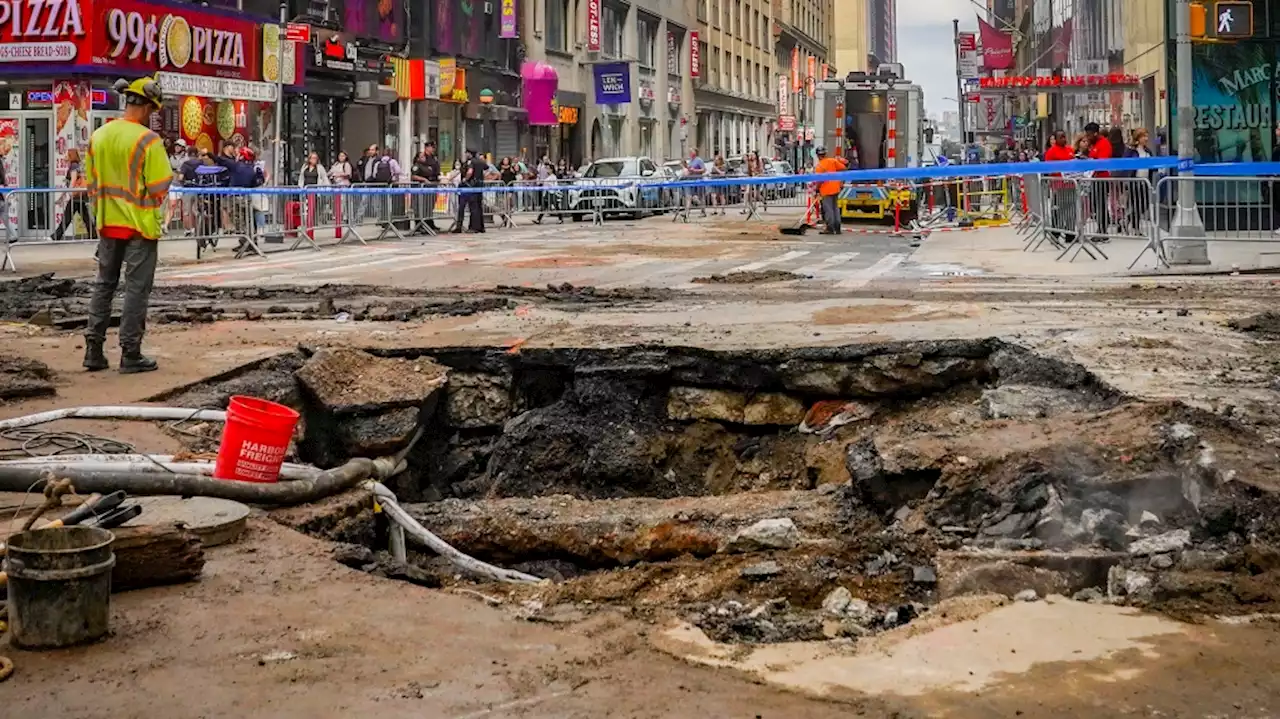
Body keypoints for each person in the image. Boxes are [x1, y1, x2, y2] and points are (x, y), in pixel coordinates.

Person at [82, 75, 170, 374]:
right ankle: (130, 353)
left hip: (108, 224)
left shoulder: (99, 136)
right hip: (139, 226)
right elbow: (159, 187)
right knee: (135, 289)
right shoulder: (148, 140)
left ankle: (93, 351)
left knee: (104, 285)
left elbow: (91, 182)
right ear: (146, 107)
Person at [51, 148, 95, 242]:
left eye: (67, 154)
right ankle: (93, 235)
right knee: (85, 217)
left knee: (67, 218)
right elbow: (68, 183)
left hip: (76, 196)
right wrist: (61, 198)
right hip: (79, 196)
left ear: (71, 155)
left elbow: (73, 180)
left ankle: (55, 236)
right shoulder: (75, 166)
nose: (65, 156)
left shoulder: (74, 166)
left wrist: (70, 192)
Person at [813, 146, 847, 235]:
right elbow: (843, 168)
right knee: (835, 208)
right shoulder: (832, 161)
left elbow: (819, 181)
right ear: (825, 154)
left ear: (817, 155)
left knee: (828, 210)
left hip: (826, 190)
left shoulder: (819, 166)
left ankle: (830, 228)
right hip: (835, 188)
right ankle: (838, 228)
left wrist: (817, 189)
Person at [450, 149, 485, 233]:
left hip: (468, 187)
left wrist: (465, 179)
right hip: (478, 186)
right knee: (477, 207)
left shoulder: (470, 162)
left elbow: (469, 172)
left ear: (469, 154)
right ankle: (479, 227)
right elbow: (486, 169)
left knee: (467, 207)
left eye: (466, 153)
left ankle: (467, 227)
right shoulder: (480, 162)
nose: (465, 154)